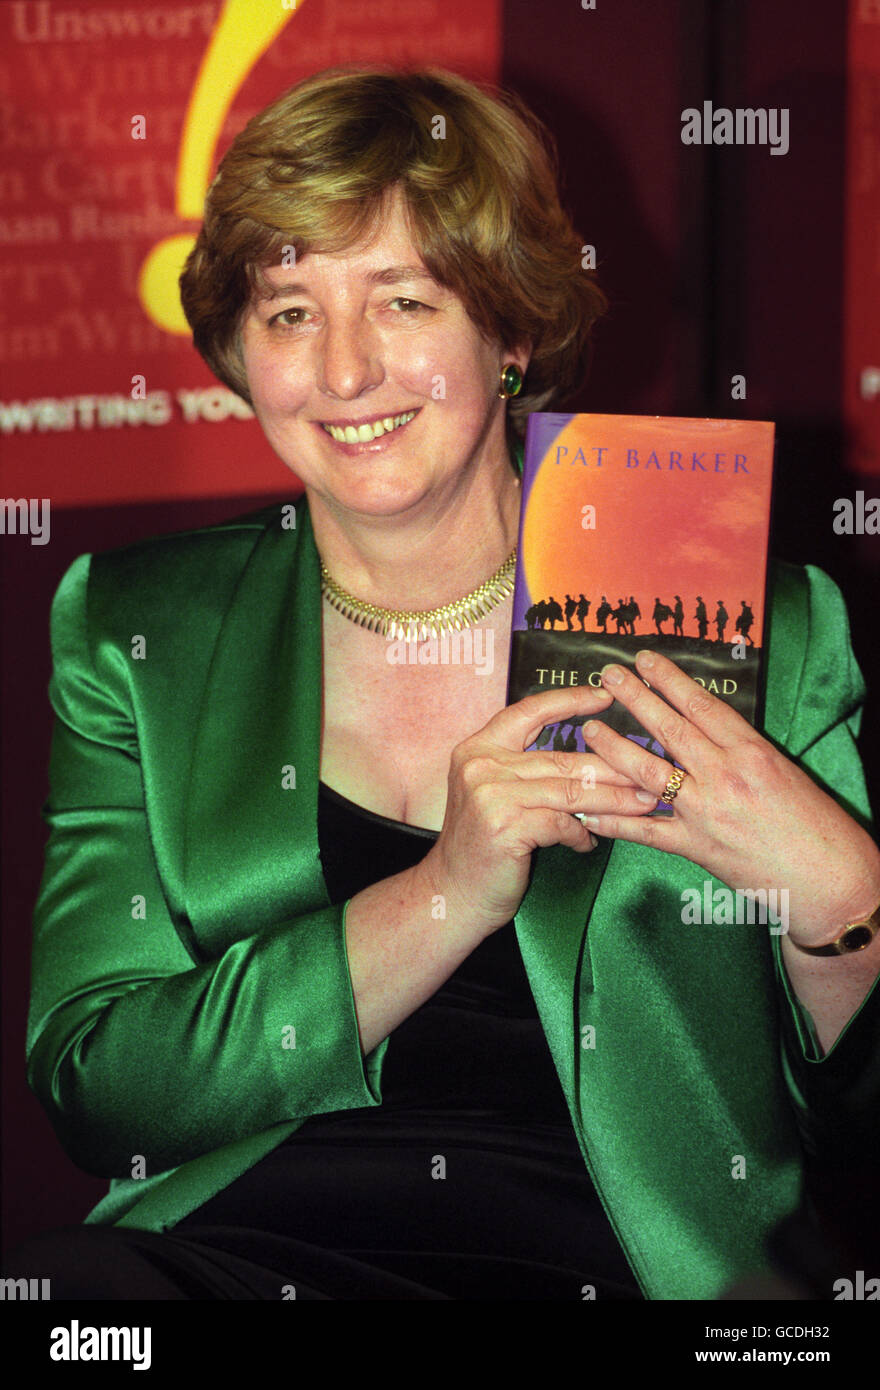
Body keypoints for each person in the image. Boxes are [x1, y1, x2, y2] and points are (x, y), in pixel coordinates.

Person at [7, 66, 880, 1303]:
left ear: (511, 332)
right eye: (290, 312)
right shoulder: (139, 628)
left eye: (402, 300)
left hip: (633, 1265)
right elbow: (100, 1087)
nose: (347, 371)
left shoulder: (746, 612)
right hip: (239, 1251)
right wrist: (445, 893)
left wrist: (842, 891)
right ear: (237, 350)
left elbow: (843, 1139)